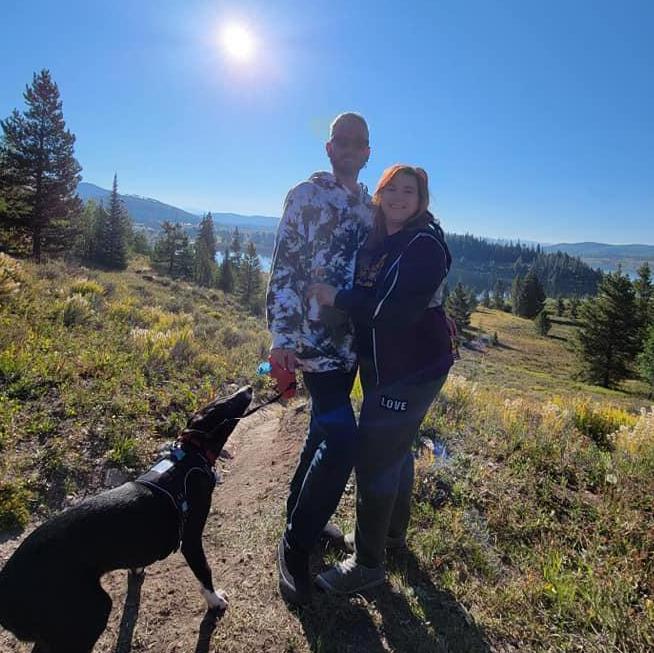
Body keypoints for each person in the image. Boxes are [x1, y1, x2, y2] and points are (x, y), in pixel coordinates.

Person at [307, 164, 454, 594]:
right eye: (392, 188)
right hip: (391, 368)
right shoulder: (386, 238)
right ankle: (389, 535)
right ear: (380, 193)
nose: (398, 197)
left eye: (409, 191)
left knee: (374, 459)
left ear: (421, 200)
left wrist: (337, 298)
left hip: (409, 372)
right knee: (394, 452)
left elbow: (392, 312)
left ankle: (368, 564)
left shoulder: (423, 245)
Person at [266, 112, 374, 605]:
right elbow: (285, 267)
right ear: (329, 149)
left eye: (359, 142)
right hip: (313, 344)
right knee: (343, 440)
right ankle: (295, 546)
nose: (350, 148)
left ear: (367, 152)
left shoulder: (371, 207)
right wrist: (281, 336)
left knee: (321, 431)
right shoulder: (305, 196)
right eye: (341, 140)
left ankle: (299, 511)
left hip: (353, 346)